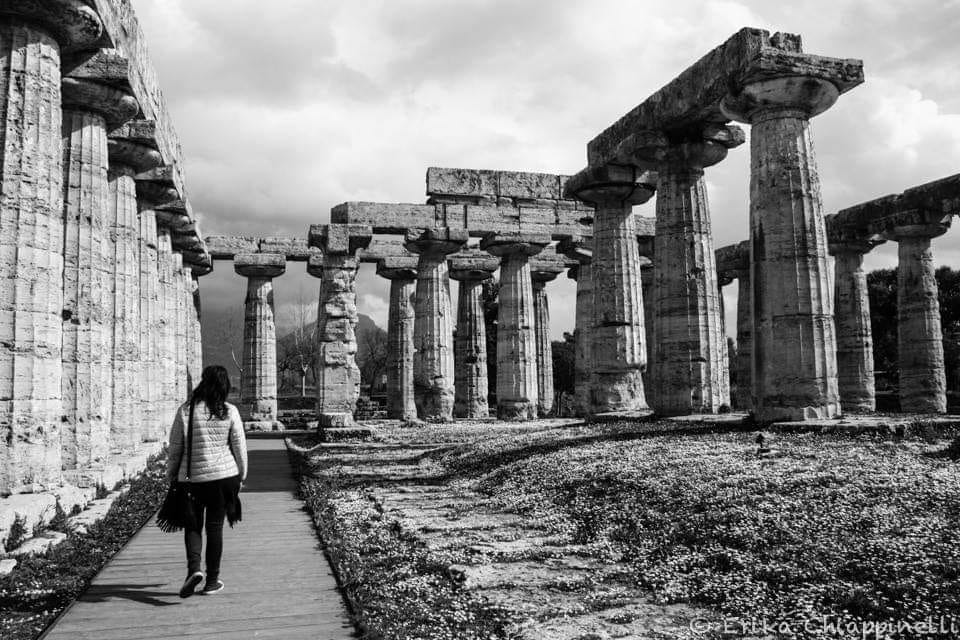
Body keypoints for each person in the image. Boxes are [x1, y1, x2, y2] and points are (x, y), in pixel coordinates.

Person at [166, 365, 247, 598]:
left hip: (193, 479)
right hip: (224, 478)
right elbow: (239, 446)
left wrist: (171, 474)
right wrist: (242, 474)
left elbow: (176, 447)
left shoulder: (186, 411)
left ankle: (194, 570)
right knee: (215, 528)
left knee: (193, 526)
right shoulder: (230, 411)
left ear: (202, 382)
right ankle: (212, 580)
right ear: (225, 386)